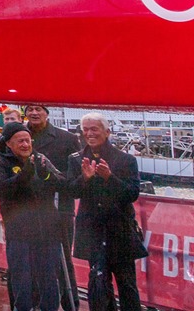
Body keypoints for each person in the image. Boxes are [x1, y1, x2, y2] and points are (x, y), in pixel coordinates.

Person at [67, 113, 146, 311]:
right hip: (92, 231)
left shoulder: (126, 160)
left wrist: (110, 178)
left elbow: (132, 193)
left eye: (94, 129)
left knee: (127, 284)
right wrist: (84, 179)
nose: (89, 133)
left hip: (119, 230)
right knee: (98, 285)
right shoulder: (76, 159)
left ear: (107, 132)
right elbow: (71, 191)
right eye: (85, 129)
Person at [0, 122, 66, 311]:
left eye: (27, 140)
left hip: (47, 230)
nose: (25, 145)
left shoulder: (40, 158)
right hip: (19, 232)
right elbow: (2, 188)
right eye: (20, 141)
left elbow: (60, 183)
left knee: (49, 278)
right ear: (9, 143)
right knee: (22, 280)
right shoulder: (1, 162)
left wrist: (45, 175)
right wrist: (24, 175)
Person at [26, 104, 81, 311]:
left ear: (46, 113)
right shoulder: (18, 136)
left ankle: (70, 305)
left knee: (63, 261)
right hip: (29, 209)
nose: (34, 113)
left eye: (38, 109)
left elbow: (74, 176)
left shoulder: (66, 139)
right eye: (30, 109)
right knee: (31, 261)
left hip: (60, 208)